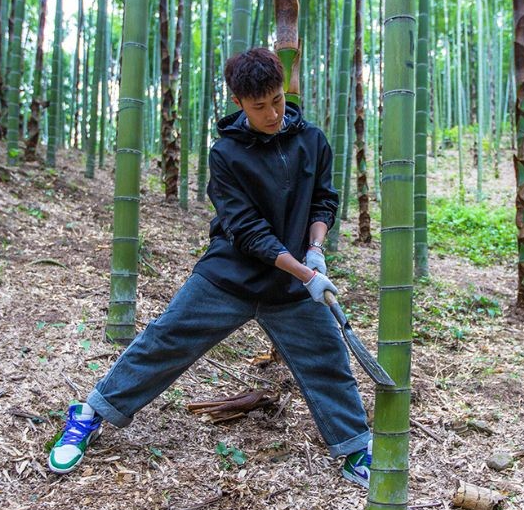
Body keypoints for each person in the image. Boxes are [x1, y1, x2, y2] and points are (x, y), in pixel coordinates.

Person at [47, 48, 373, 487]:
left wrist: (315, 250)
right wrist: (307, 274)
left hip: (294, 280)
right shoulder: (225, 155)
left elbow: (324, 200)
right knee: (165, 340)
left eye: (277, 100)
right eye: (260, 107)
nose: (273, 113)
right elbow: (248, 230)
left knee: (327, 359)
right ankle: (89, 414)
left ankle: (355, 448)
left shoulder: (312, 140)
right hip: (231, 276)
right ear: (238, 103)